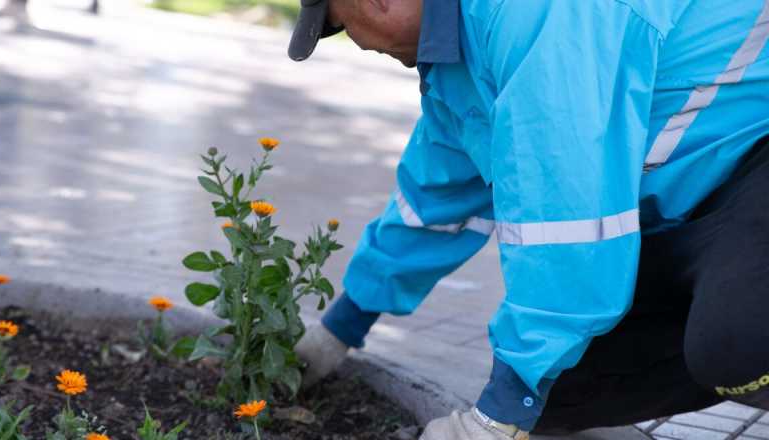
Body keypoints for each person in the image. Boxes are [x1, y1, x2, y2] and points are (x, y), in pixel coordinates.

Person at [287, 0, 769, 438]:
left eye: (339, 25)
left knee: (737, 345)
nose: (358, 43)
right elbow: (438, 195)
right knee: (560, 392)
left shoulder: (536, 15)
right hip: (700, 205)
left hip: (756, 160)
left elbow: (567, 220)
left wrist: (497, 418)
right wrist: (341, 327)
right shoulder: (462, 52)